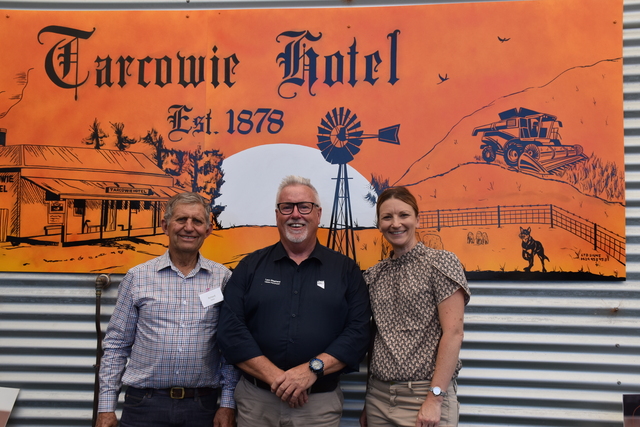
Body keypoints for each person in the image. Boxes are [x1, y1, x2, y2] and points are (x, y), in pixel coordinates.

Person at [218, 175, 371, 427]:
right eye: (287, 207)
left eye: (304, 207)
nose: (295, 214)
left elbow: (358, 332)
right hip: (256, 404)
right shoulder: (249, 266)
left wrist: (311, 370)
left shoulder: (346, 270)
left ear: (318, 214)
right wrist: (279, 379)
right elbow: (230, 329)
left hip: (318, 407)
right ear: (277, 215)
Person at [96, 192, 240, 427]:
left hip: (201, 408)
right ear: (165, 225)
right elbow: (116, 345)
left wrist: (227, 403)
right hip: (143, 405)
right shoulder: (137, 277)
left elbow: (230, 349)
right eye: (181, 219)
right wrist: (105, 407)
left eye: (197, 221)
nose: (189, 228)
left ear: (208, 229)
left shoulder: (223, 279)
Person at [360, 186, 470, 427]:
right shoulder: (374, 276)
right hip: (379, 398)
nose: (395, 223)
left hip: (423, 398)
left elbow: (454, 334)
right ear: (379, 224)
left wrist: (435, 398)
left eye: (404, 215)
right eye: (387, 217)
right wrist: (369, 399)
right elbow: (375, 339)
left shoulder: (441, 264)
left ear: (417, 220)